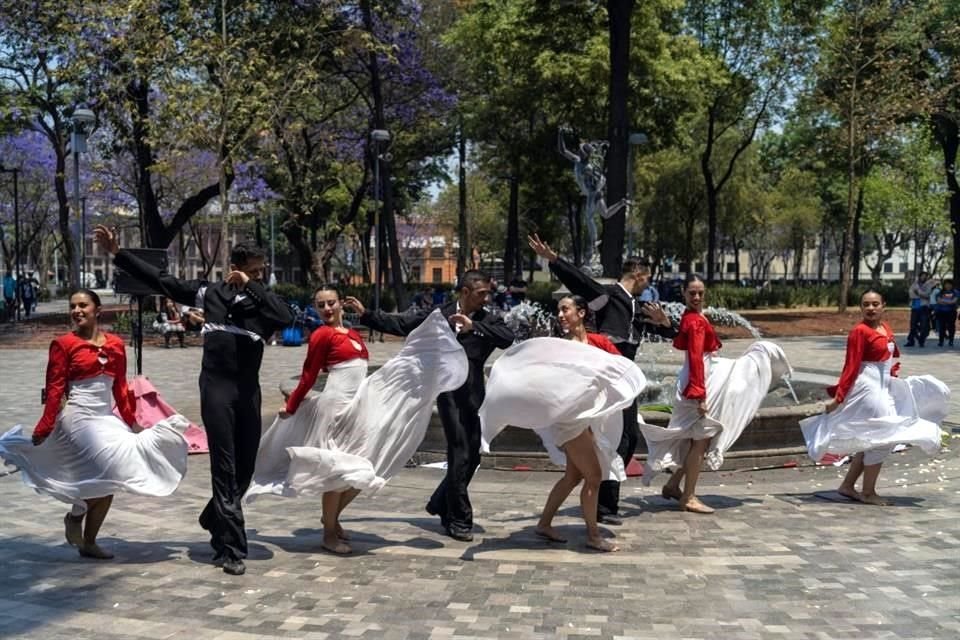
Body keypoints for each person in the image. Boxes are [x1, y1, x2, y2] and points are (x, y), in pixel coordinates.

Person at [94, 224, 293, 576]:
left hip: (248, 391)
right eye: (255, 270)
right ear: (237, 265)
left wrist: (253, 287)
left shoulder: (263, 304)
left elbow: (285, 316)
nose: (261, 276)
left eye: (263, 271)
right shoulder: (208, 294)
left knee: (246, 470)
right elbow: (163, 280)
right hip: (216, 389)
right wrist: (118, 253)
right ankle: (230, 548)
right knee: (225, 466)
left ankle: (212, 515)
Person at [246, 286, 467, 554]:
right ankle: (328, 533)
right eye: (321, 305)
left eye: (331, 303)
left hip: (356, 408)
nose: (327, 309)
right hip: (335, 409)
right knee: (337, 470)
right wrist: (291, 405)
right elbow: (308, 376)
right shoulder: (321, 335)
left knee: (362, 469)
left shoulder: (351, 334)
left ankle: (331, 520)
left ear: (341, 304)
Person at [0, 289, 189, 559]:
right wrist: (45, 427)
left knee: (113, 477)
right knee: (108, 470)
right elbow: (54, 390)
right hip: (77, 418)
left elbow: (121, 388)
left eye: (83, 305)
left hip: (105, 418)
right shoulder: (63, 344)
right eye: (73, 306)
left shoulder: (115, 344)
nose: (77, 310)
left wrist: (131, 422)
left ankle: (87, 538)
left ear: (97, 310)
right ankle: (77, 516)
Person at [355, 270, 515, 541]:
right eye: (480, 294)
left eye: (487, 293)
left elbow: (507, 337)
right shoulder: (439, 315)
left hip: (474, 395)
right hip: (448, 394)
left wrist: (473, 327)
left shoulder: (487, 319)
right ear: (465, 292)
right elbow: (404, 324)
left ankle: (440, 502)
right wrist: (367, 314)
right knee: (459, 453)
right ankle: (459, 519)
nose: (485, 298)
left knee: (473, 456)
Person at [480, 295, 646, 552]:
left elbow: (622, 367)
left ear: (581, 313)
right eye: (558, 310)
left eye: (565, 309)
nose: (560, 314)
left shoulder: (598, 342)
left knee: (573, 475)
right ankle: (593, 536)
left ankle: (544, 524)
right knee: (594, 476)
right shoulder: (557, 348)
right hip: (568, 422)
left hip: (588, 420)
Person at [528, 233, 674, 524]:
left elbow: (669, 334)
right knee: (612, 439)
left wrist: (665, 323)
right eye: (647, 278)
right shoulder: (610, 297)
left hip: (625, 385)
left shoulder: (638, 307)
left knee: (629, 438)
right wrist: (554, 260)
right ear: (638, 273)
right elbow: (581, 282)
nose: (648, 284)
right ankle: (603, 506)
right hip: (606, 384)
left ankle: (605, 501)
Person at [638, 274, 791, 514]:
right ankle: (688, 496)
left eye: (700, 292)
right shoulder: (695, 320)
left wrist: (667, 323)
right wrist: (700, 396)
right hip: (699, 380)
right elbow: (697, 358)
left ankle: (672, 485)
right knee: (700, 440)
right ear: (684, 294)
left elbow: (682, 343)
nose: (697, 297)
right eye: (692, 293)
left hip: (696, 377)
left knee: (695, 438)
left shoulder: (692, 317)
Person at [800, 289, 948, 505]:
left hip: (883, 386)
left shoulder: (885, 327)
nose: (870, 308)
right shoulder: (859, 332)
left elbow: (890, 357)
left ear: (883, 306)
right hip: (868, 389)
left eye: (875, 304)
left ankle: (848, 486)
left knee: (873, 438)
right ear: (861, 307)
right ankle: (868, 492)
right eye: (866, 304)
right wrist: (839, 398)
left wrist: (894, 378)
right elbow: (850, 366)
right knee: (883, 437)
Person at [905, 271, 935, 347]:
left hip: (924, 308)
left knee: (923, 326)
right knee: (912, 326)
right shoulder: (914, 284)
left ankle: (921, 341)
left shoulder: (928, 285)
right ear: (919, 276)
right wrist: (920, 294)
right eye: (922, 276)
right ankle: (911, 341)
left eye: (925, 276)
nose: (923, 277)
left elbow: (927, 294)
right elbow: (911, 294)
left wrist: (918, 292)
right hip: (915, 307)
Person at [934, 279, 957, 348]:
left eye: (949, 284)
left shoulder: (955, 292)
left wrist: (944, 301)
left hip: (951, 312)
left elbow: (953, 301)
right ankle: (941, 341)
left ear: (952, 285)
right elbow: (938, 301)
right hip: (941, 312)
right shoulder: (940, 292)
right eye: (946, 284)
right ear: (944, 285)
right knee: (942, 327)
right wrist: (948, 301)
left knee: (951, 327)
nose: (948, 286)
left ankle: (951, 340)